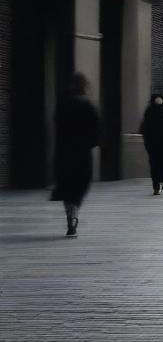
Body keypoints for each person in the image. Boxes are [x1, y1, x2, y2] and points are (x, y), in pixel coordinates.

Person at [51, 73, 101, 238]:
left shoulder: (62, 104)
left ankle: (70, 214)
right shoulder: (88, 104)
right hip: (82, 153)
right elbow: (97, 129)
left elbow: (56, 125)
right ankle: (74, 210)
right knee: (81, 184)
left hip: (64, 152)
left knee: (67, 184)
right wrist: (90, 143)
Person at [139, 93, 163, 195]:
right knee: (162, 163)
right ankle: (161, 181)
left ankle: (156, 184)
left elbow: (143, 129)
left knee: (154, 164)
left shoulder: (148, 115)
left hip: (152, 145)